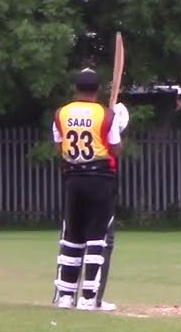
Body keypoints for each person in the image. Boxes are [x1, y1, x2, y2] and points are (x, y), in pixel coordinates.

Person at [50, 68, 128, 311]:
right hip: (100, 178)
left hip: (72, 178)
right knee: (97, 238)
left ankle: (65, 295)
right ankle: (89, 298)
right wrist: (120, 125)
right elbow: (115, 149)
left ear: (76, 88)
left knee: (72, 236)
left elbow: (58, 146)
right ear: (98, 89)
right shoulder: (106, 115)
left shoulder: (61, 113)